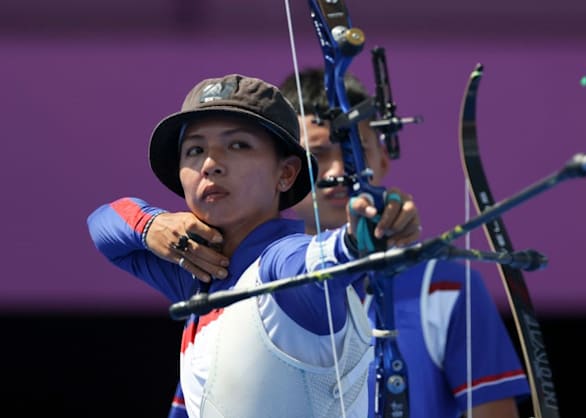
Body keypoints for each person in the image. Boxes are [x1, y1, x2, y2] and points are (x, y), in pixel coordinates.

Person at [87, 73, 420, 418]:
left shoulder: (283, 262)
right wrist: (151, 224)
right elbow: (102, 226)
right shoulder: (198, 271)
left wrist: (363, 236)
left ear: (287, 173)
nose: (210, 164)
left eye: (238, 145)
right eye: (195, 150)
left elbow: (323, 259)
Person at [279, 68, 531, 417]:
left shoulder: (444, 287)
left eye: (355, 151)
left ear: (383, 158)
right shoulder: (254, 283)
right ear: (283, 173)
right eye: (318, 154)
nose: (337, 170)